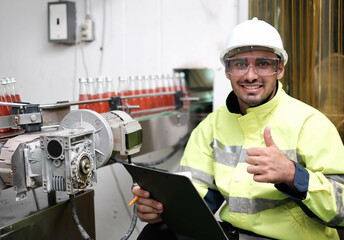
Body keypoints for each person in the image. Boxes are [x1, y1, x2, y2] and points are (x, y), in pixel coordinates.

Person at [132, 17, 344, 239]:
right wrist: (162, 209)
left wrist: (293, 175)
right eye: (240, 64)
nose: (250, 75)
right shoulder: (212, 126)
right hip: (235, 235)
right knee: (157, 234)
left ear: (279, 69)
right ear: (227, 70)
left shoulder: (311, 124)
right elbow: (198, 197)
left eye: (263, 63)